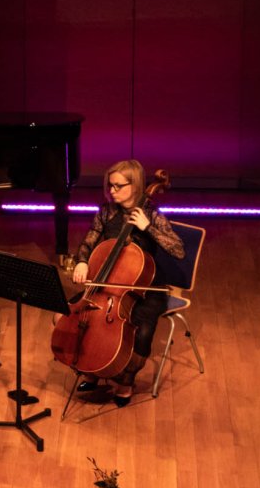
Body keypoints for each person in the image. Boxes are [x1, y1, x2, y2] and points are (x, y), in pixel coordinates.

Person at [69, 161, 184, 407]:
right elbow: (89, 241)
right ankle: (93, 370)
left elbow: (178, 250)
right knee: (76, 315)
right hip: (109, 283)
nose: (112, 191)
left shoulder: (152, 215)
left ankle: (126, 381)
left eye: (118, 186)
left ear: (136, 185)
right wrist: (81, 261)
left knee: (141, 331)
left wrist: (148, 228)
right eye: (110, 185)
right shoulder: (106, 212)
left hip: (144, 288)